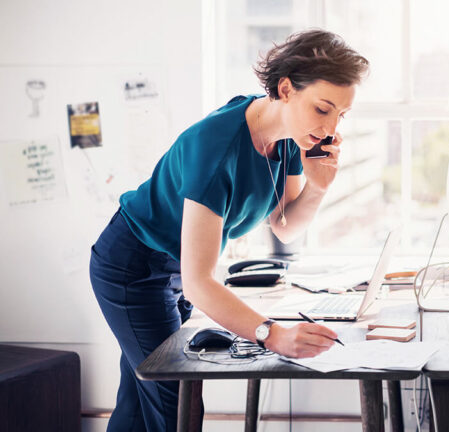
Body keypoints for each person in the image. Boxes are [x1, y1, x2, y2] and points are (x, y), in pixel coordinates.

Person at [89, 29, 369, 431]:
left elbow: (285, 227)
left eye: (341, 115)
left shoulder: (290, 137)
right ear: (286, 89)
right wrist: (273, 335)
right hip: (134, 266)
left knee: (139, 405)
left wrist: (318, 188)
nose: (329, 129)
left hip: (173, 268)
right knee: (175, 406)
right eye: (323, 109)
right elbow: (199, 284)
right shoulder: (217, 148)